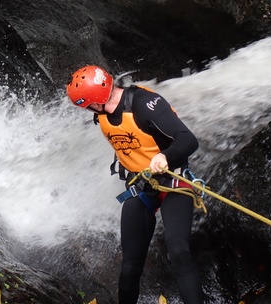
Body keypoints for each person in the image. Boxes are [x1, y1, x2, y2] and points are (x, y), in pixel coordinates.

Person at [66, 65, 204, 304]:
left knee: (179, 251)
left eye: (85, 105)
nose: (85, 110)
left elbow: (188, 139)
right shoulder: (102, 111)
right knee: (130, 265)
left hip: (173, 180)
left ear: (95, 102)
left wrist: (165, 156)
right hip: (140, 185)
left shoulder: (145, 103)